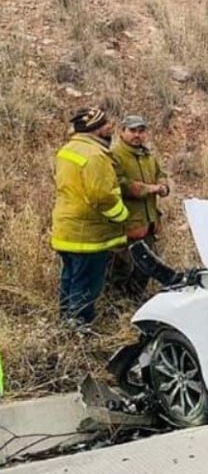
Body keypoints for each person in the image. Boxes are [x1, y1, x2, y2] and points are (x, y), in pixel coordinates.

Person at [51, 108, 129, 325]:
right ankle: (80, 328)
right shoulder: (95, 155)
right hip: (87, 236)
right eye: (105, 125)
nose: (109, 128)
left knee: (70, 279)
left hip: (66, 230)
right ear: (95, 129)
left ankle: (65, 323)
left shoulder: (68, 149)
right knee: (86, 285)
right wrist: (122, 215)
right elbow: (101, 195)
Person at [111, 115, 170, 296]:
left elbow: (161, 174)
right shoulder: (115, 155)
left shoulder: (147, 155)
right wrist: (150, 188)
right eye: (132, 130)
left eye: (141, 131)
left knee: (146, 268)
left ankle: (134, 301)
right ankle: (117, 306)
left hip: (149, 224)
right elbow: (120, 184)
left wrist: (164, 186)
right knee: (121, 268)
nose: (137, 135)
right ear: (122, 131)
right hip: (127, 225)